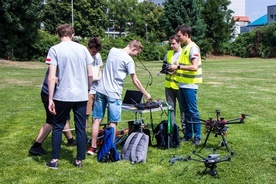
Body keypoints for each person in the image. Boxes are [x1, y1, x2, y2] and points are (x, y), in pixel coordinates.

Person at [87, 40, 152, 155]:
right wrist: (146, 93)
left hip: (100, 90)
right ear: (133, 49)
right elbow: (135, 80)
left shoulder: (112, 50)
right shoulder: (129, 60)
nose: (136, 56)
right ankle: (108, 149)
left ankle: (92, 148)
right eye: (137, 53)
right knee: (113, 122)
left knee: (97, 119)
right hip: (114, 93)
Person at [46, 24, 93, 169]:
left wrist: (50, 98)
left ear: (58, 34)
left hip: (62, 95)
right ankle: (79, 160)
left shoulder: (55, 49)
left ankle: (54, 160)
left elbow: (52, 77)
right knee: (80, 128)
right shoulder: (83, 49)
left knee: (58, 127)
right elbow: (90, 74)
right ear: (72, 34)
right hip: (80, 95)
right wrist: (87, 89)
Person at [29, 69, 76, 156]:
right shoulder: (58, 60)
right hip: (51, 95)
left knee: (64, 117)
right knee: (52, 121)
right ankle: (36, 147)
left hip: (58, 95)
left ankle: (71, 140)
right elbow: (54, 78)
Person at [168, 24, 202, 145]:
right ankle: (188, 135)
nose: (178, 38)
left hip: (190, 85)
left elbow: (194, 67)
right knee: (186, 112)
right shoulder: (185, 48)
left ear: (186, 35)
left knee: (192, 111)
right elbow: (181, 65)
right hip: (182, 85)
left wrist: (177, 66)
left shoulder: (193, 48)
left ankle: (197, 136)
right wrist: (173, 68)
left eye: (179, 36)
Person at [161, 35, 182, 126]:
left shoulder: (184, 53)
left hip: (180, 85)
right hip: (169, 86)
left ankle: (184, 128)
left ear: (179, 43)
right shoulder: (168, 53)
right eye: (171, 44)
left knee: (183, 109)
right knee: (170, 108)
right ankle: (172, 127)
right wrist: (167, 71)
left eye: (173, 44)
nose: (171, 46)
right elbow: (163, 68)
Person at [86, 37, 103, 128]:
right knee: (86, 113)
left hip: (98, 88)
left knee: (97, 113)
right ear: (88, 47)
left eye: (96, 52)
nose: (95, 54)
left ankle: (95, 133)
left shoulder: (98, 55)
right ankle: (83, 134)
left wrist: (100, 77)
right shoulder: (84, 55)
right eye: (93, 52)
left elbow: (99, 68)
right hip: (88, 89)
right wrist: (92, 79)